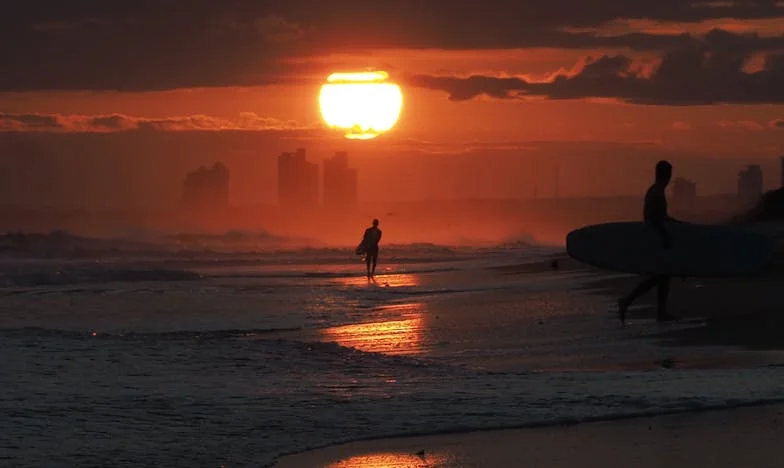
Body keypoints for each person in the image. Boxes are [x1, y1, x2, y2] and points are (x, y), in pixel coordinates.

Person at [618, 160, 681, 325]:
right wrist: (664, 236)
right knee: (661, 275)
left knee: (663, 276)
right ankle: (627, 301)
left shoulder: (655, 191)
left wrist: (676, 224)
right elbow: (654, 218)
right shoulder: (656, 192)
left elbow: (660, 216)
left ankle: (658, 311)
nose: (670, 178)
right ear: (665, 175)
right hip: (655, 238)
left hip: (654, 236)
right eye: (669, 174)